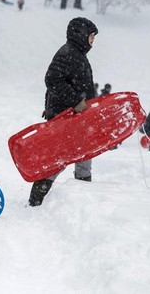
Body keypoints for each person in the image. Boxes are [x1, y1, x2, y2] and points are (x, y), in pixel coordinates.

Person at [28, 17, 99, 207]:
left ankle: (82, 199)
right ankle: (36, 200)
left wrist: (50, 104)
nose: (93, 40)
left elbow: (61, 83)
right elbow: (52, 80)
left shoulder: (77, 54)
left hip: (76, 117)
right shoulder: (68, 54)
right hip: (67, 119)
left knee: (84, 156)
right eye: (91, 36)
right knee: (59, 159)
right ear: (81, 35)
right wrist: (75, 102)